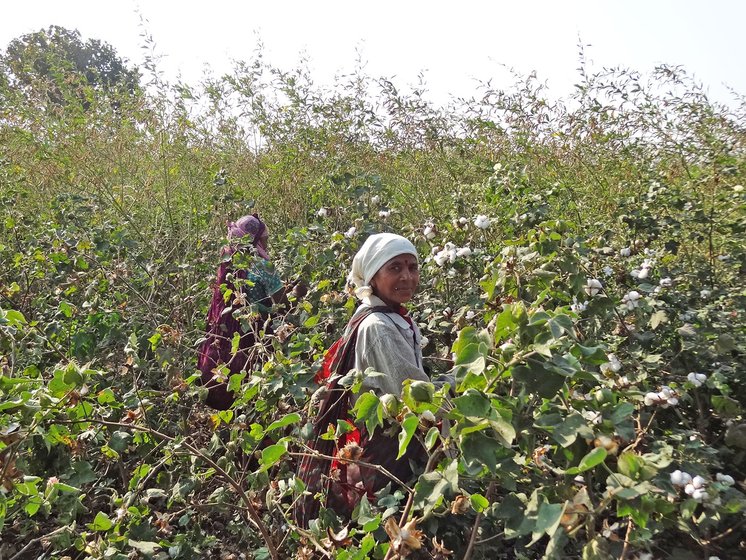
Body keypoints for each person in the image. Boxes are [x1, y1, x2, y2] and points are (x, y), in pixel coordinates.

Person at [296, 233, 433, 526]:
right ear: (373, 276)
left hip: (387, 439)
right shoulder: (378, 326)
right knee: (387, 522)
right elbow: (415, 396)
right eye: (395, 268)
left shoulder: (389, 315)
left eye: (412, 267)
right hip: (387, 445)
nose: (407, 276)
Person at [198, 213, 285, 410]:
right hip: (255, 334)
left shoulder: (227, 263)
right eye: (265, 238)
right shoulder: (265, 267)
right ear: (256, 240)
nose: (267, 242)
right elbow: (283, 305)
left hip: (226, 329)